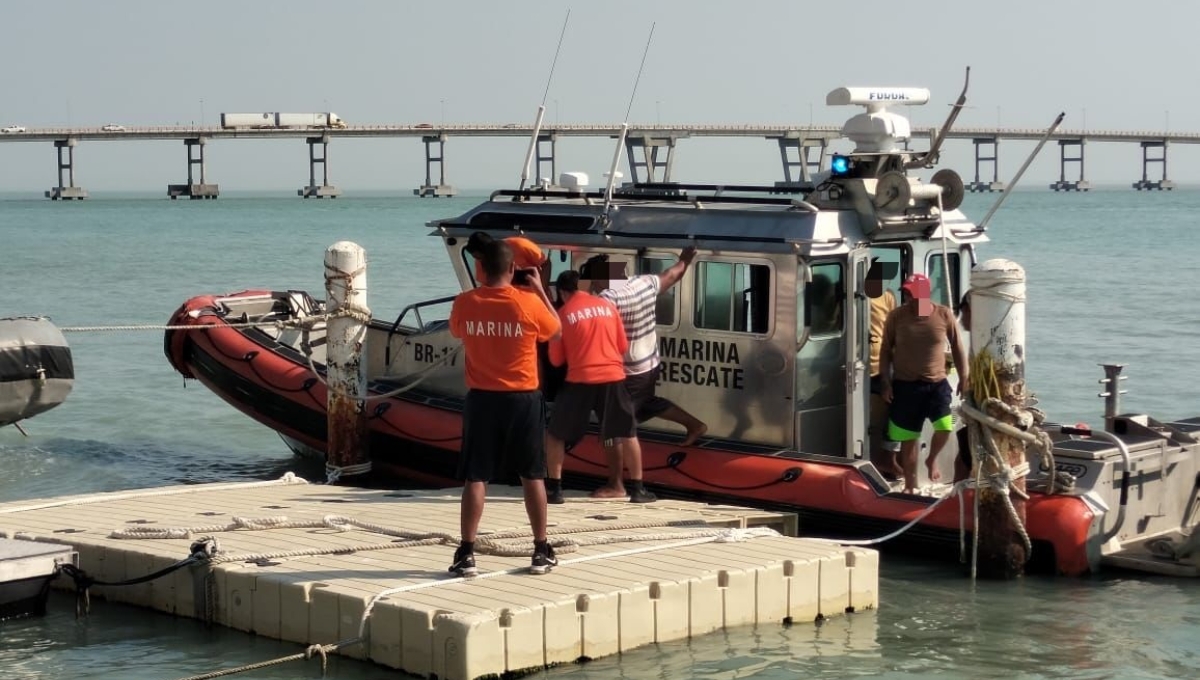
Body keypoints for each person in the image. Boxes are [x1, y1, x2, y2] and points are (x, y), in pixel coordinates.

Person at [448, 235, 562, 576]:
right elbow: (555, 332)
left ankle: (467, 552)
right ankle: (540, 548)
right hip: (523, 398)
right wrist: (539, 288)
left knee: (476, 476)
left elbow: (456, 332)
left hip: (482, 398)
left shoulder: (465, 302)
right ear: (513, 268)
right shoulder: (528, 303)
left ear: (480, 268)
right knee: (532, 475)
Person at [582, 248, 707, 500]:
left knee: (613, 428)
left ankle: (616, 485)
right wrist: (686, 258)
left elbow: (586, 319)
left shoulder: (608, 299)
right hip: (650, 363)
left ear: (600, 279)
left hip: (626, 372)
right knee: (646, 403)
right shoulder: (644, 283)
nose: (593, 287)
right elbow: (673, 274)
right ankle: (696, 425)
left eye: (593, 281)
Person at [543, 270, 651, 503]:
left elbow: (556, 361)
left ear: (562, 292)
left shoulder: (561, 315)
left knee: (555, 435)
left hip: (580, 380)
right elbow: (622, 345)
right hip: (613, 377)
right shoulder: (609, 308)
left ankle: (555, 489)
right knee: (627, 433)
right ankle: (638, 490)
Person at [879, 273, 969, 493]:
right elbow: (885, 350)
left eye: (912, 292)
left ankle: (932, 459)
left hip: (937, 384)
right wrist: (885, 382)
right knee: (909, 438)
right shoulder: (896, 316)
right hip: (905, 385)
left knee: (945, 427)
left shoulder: (943, 314)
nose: (908, 296)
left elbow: (957, 347)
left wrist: (964, 377)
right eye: (906, 292)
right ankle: (911, 485)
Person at [865, 258, 902, 480]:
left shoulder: (888, 296)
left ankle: (888, 456)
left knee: (898, 407)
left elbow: (893, 327)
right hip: (858, 362)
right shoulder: (854, 294)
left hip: (883, 362)